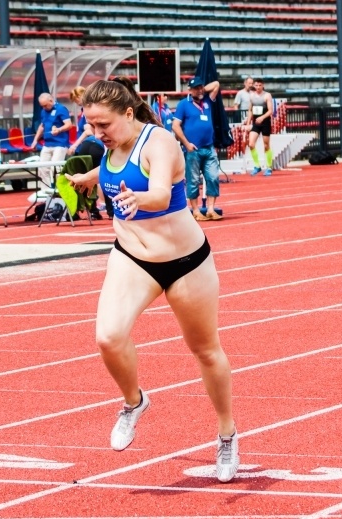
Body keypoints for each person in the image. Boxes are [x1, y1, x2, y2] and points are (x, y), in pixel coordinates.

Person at [66, 77, 239, 483]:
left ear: (128, 113)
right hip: (132, 258)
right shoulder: (109, 147)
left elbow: (160, 193)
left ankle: (227, 433)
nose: (97, 134)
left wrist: (138, 198)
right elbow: (107, 168)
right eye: (90, 126)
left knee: (206, 350)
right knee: (108, 337)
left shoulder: (160, 142)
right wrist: (85, 180)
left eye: (103, 125)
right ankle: (134, 402)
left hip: (186, 262)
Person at [172, 76, 223, 221]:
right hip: (193, 149)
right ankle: (195, 210)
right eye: (196, 88)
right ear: (190, 90)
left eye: (201, 87)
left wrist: (201, 91)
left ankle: (211, 209)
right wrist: (187, 144)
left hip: (209, 147)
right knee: (193, 180)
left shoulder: (207, 101)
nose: (200, 90)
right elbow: (176, 126)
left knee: (213, 177)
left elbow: (216, 84)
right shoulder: (183, 104)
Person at [68, 85, 111, 219]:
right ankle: (102, 210)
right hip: (93, 145)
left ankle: (92, 209)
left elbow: (88, 131)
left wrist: (75, 144)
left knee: (99, 176)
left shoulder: (90, 112)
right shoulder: (85, 111)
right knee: (102, 176)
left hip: (91, 145)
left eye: (77, 98)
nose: (77, 102)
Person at [30, 92, 73, 184]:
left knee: (55, 168)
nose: (44, 108)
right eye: (42, 106)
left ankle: (58, 189)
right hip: (47, 144)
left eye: (45, 105)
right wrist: (35, 140)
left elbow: (69, 125)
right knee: (42, 167)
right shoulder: (43, 111)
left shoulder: (61, 109)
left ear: (51, 100)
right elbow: (42, 126)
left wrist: (59, 130)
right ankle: (45, 190)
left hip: (60, 144)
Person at [245, 78, 275, 176]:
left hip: (265, 122)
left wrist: (262, 117)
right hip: (256, 123)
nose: (258, 87)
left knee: (266, 145)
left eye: (259, 85)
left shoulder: (267, 95)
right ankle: (257, 166)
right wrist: (248, 123)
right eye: (256, 85)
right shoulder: (252, 96)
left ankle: (269, 167)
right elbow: (250, 110)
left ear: (263, 85)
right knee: (251, 144)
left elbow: (271, 110)